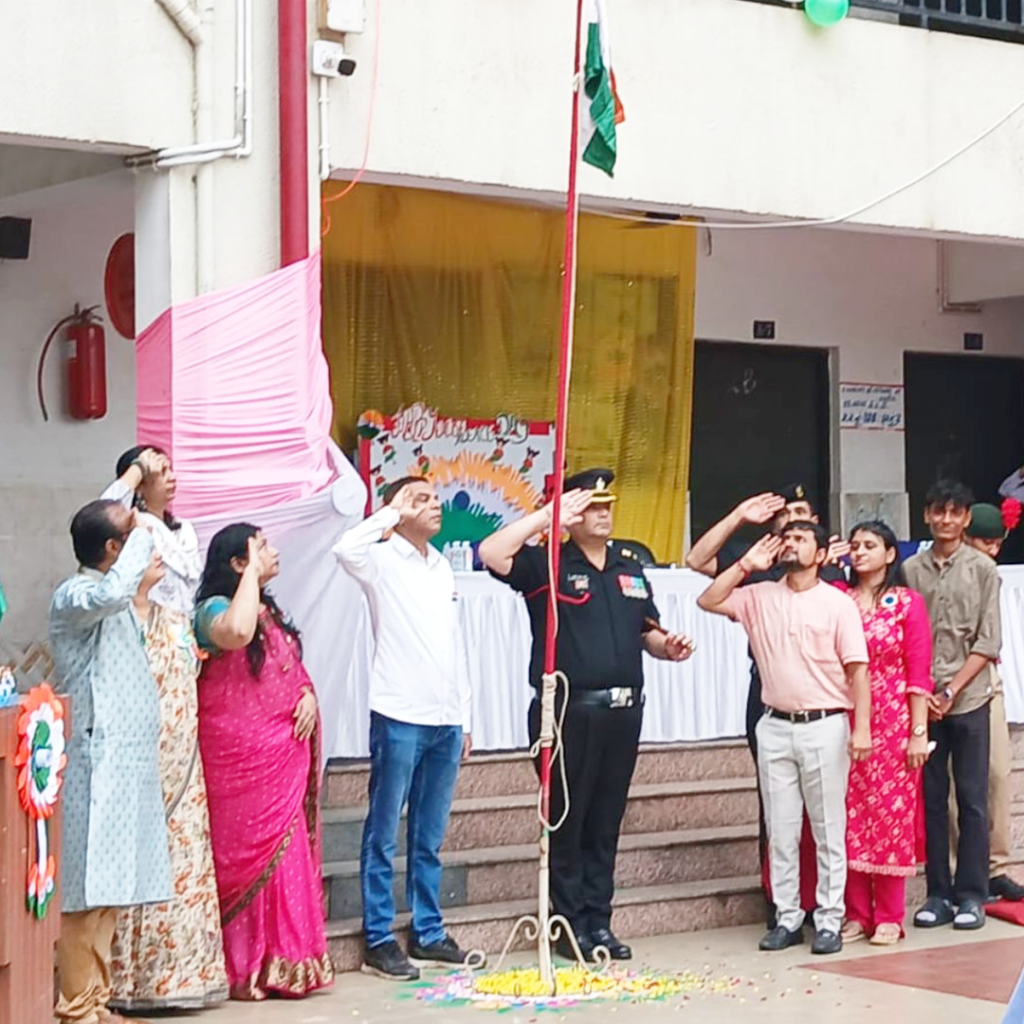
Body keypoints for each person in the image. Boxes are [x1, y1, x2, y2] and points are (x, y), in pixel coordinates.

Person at [480, 469, 695, 963]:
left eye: (606, 504)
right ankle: (568, 924)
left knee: (605, 820)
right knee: (568, 819)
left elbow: (646, 629)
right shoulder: (549, 563)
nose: (603, 513)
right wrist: (547, 517)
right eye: (591, 506)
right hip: (569, 712)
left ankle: (599, 922)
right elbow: (492, 552)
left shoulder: (629, 565)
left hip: (623, 711)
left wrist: (667, 646)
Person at [697, 521, 871, 955]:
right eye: (787, 538)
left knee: (828, 829)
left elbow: (858, 670)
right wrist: (745, 565)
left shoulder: (838, 603)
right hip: (774, 725)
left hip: (825, 724)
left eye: (801, 539)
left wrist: (862, 728)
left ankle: (828, 920)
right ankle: (788, 917)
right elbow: (708, 599)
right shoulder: (759, 595)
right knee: (781, 828)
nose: (791, 544)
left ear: (821, 554)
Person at [102, 446, 227, 1011]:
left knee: (184, 835)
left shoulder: (183, 532)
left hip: (178, 664)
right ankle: (127, 978)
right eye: (159, 470)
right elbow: (98, 513)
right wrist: (133, 476)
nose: (169, 477)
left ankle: (181, 975)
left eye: (171, 468)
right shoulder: (125, 524)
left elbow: (188, 587)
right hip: (141, 678)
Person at [334, 477, 474, 981]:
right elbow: (343, 548)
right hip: (398, 712)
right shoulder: (379, 557)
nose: (434, 506)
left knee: (429, 833)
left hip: (444, 717)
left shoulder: (441, 565)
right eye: (421, 499)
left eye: (436, 498)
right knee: (384, 829)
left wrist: (465, 715)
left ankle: (428, 931)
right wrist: (391, 514)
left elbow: (454, 643)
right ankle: (378, 937)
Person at [194, 525, 333, 999]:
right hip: (238, 761)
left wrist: (307, 695)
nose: (273, 552)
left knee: (287, 859)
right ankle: (244, 969)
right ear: (238, 563)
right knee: (245, 857)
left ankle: (287, 963)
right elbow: (237, 634)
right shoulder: (213, 611)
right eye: (262, 547)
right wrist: (251, 577)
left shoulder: (269, 611)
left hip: (282, 756)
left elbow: (289, 671)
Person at [50, 500, 173, 1024]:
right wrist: (144, 532)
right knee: (84, 891)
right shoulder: (76, 593)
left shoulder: (110, 595)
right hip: (93, 760)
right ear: (112, 548)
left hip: (124, 762)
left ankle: (96, 1002)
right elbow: (112, 592)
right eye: (131, 535)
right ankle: (75, 1008)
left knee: (110, 889)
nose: (144, 539)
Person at [905, 480, 1001, 931]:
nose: (946, 520)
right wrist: (925, 693)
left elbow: (988, 640)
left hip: (969, 698)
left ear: (966, 518)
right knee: (931, 800)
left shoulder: (983, 568)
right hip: (923, 701)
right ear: (927, 515)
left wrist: (950, 691)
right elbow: (906, 636)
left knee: (972, 799)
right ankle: (938, 892)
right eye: (938, 511)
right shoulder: (910, 570)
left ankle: (972, 895)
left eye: (954, 512)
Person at [838, 521, 932, 946]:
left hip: (894, 719)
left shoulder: (907, 603)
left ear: (890, 554)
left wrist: (918, 731)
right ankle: (857, 914)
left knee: (891, 815)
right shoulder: (838, 600)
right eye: (854, 545)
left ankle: (890, 915)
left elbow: (918, 670)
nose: (859, 552)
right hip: (843, 714)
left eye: (869, 545)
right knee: (848, 815)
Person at [961, 503, 1024, 903]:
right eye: (985, 542)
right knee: (959, 783)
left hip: (986, 676)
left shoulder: (991, 574)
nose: (993, 551)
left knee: (999, 773)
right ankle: (961, 868)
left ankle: (997, 866)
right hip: (948, 680)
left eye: (998, 544)